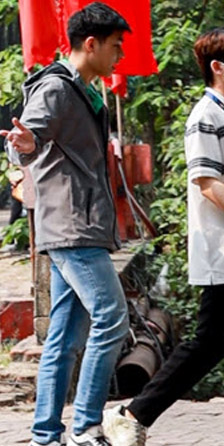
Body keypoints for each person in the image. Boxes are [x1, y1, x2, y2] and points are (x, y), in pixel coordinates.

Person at [0, 2, 131, 446]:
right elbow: (24, 141)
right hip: (72, 226)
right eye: (115, 47)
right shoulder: (56, 89)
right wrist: (25, 142)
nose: (119, 56)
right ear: (90, 44)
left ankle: (45, 435)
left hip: (77, 223)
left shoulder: (85, 90)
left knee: (64, 336)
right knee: (112, 317)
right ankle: (87, 426)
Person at [103, 28, 224, 446]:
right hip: (222, 250)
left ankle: (134, 413)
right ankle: (133, 413)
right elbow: (208, 183)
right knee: (208, 343)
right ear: (217, 67)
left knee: (209, 344)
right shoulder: (206, 117)